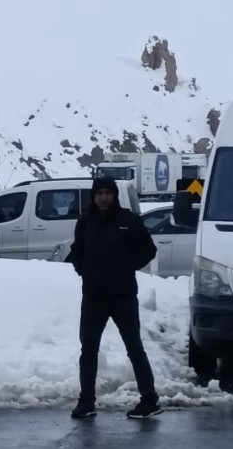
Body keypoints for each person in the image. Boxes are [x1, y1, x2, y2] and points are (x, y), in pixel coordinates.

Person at [66, 176, 162, 419]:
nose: (103, 198)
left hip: (123, 296)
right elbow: (76, 252)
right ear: (93, 196)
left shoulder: (129, 221)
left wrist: (127, 266)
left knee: (134, 348)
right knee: (88, 349)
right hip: (94, 296)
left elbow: (148, 250)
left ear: (115, 195)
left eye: (108, 193)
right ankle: (86, 402)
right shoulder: (85, 222)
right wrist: (84, 269)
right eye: (99, 193)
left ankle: (149, 400)